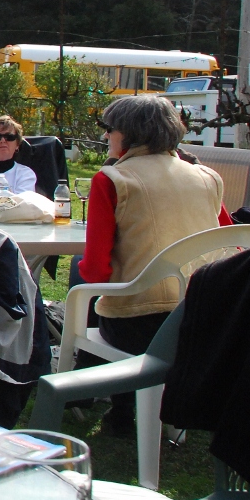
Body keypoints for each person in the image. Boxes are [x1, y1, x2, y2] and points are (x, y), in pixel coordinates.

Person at [77, 94, 228, 435]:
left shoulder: (112, 180)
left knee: (85, 282)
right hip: (201, 316)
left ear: (128, 133)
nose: (106, 137)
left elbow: (97, 272)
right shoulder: (207, 177)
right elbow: (229, 236)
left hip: (138, 325)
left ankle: (115, 405)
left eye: (109, 129)